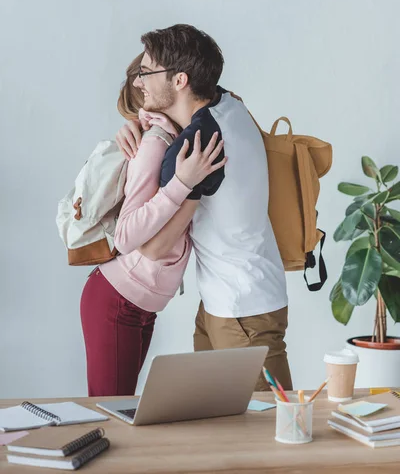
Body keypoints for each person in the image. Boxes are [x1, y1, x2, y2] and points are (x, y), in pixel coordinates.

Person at [116, 24, 293, 391]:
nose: (138, 82)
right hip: (226, 303)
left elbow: (153, 247)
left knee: (269, 433)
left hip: (243, 311)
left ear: (180, 80)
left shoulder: (199, 147)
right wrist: (142, 121)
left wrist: (170, 165)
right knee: (221, 429)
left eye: (146, 72)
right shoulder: (228, 103)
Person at [80, 53, 226, 397]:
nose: (140, 82)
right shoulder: (155, 142)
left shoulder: (174, 137)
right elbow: (128, 235)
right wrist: (183, 182)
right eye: (142, 77)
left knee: (122, 407)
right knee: (111, 411)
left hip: (140, 304)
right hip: (117, 299)